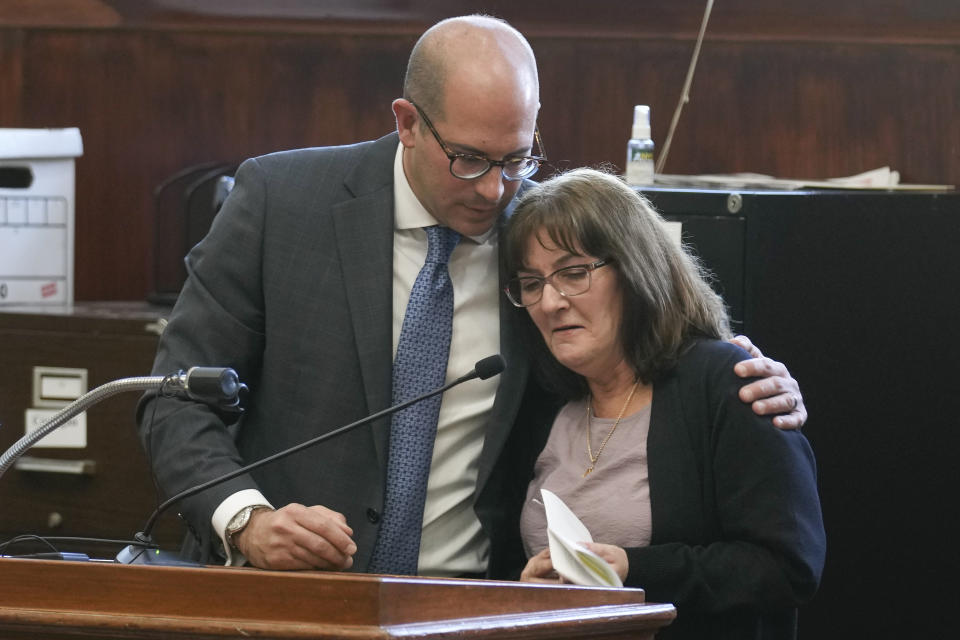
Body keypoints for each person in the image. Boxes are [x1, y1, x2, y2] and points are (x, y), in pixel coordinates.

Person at [137, 14, 807, 578]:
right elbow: (171, 402)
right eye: (469, 159)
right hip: (290, 598)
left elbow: (625, 350)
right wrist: (247, 519)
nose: (494, 189)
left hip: (469, 607)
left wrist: (727, 373)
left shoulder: (538, 244)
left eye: (517, 158)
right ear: (407, 123)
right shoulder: (281, 204)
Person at [506, 168, 825, 638]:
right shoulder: (544, 401)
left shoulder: (728, 383)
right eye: (532, 283)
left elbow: (787, 566)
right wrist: (530, 594)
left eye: (573, 273)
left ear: (636, 269)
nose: (550, 302)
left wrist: (636, 570)